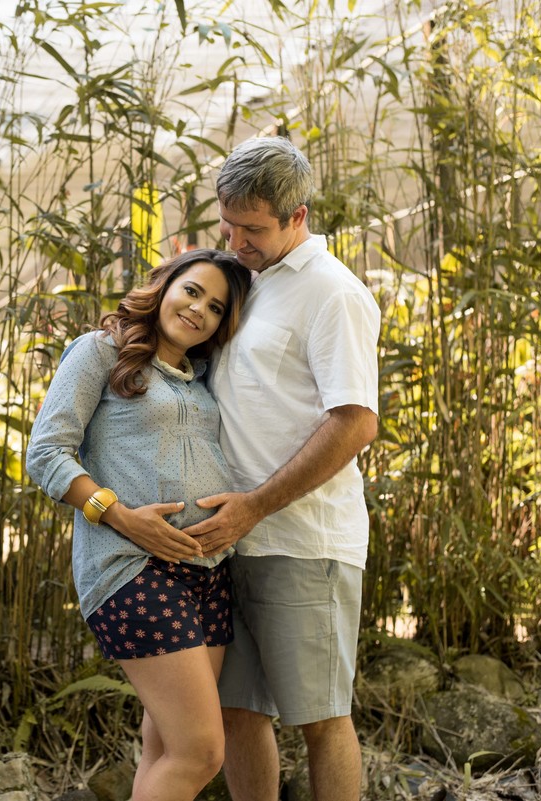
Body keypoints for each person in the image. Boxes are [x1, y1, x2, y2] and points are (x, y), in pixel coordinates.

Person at [182, 136, 381, 801]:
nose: (236, 240)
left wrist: (256, 506)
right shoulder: (247, 280)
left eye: (253, 229)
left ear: (298, 216)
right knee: (238, 712)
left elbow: (355, 421)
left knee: (320, 718)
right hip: (228, 540)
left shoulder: (333, 293)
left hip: (303, 543)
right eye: (227, 224)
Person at [25, 249, 252, 801]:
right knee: (200, 752)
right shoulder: (101, 351)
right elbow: (46, 453)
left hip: (207, 572)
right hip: (132, 569)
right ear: (165, 285)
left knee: (165, 748)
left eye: (216, 308)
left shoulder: (201, 378)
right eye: (192, 291)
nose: (199, 310)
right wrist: (122, 517)